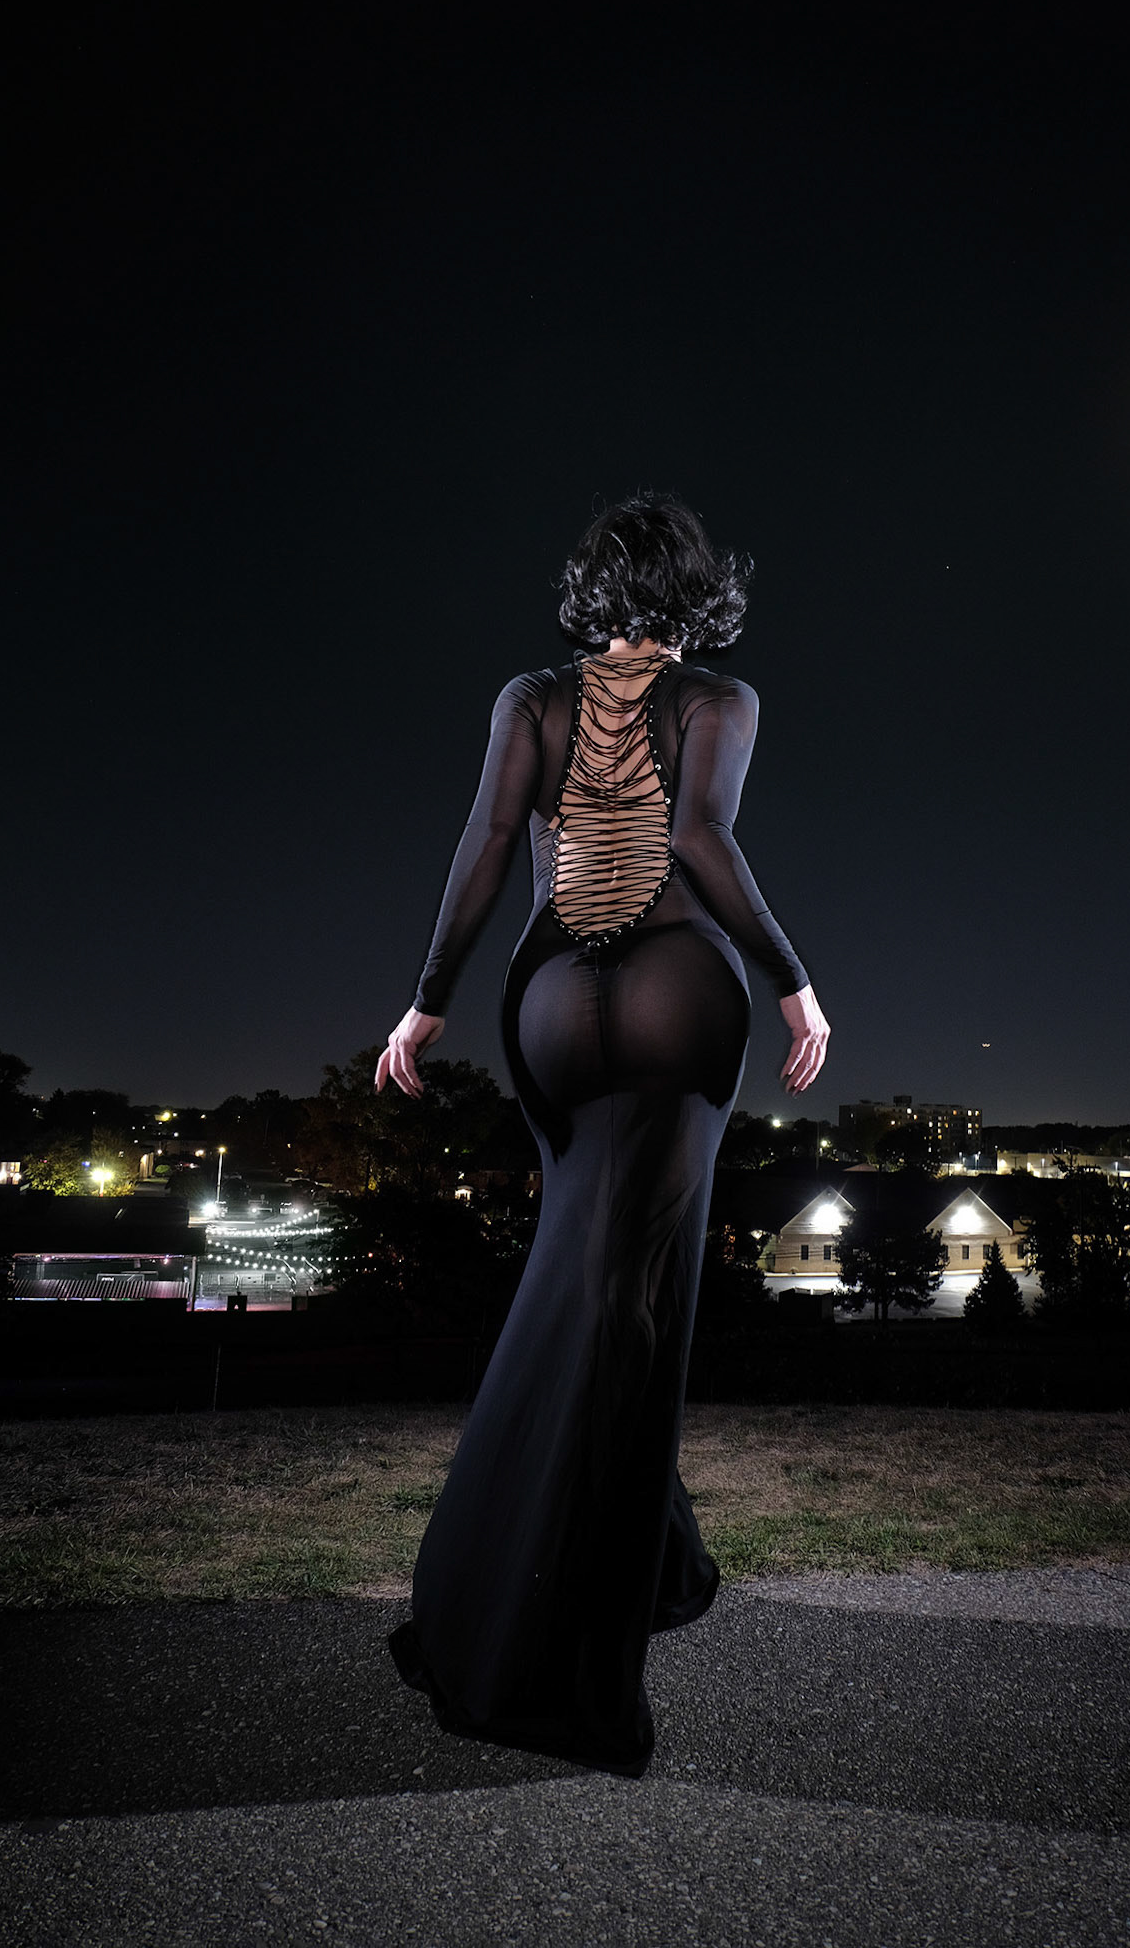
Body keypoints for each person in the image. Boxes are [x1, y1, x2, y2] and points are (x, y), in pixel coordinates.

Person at [378, 493, 829, 1777]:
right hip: (678, 985)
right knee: (635, 1299)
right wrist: (794, 982)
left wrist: (424, 1002)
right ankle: (555, 1648)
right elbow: (700, 838)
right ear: (698, 589)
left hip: (546, 1004)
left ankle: (650, 1557)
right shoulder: (717, 698)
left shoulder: (529, 697)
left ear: (590, 586)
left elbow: (485, 842)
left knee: (578, 1273)